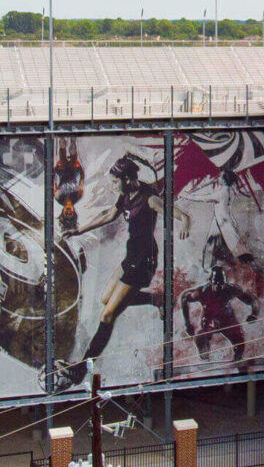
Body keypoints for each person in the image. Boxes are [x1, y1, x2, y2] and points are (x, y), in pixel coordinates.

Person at [51, 155, 190, 390]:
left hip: (143, 261)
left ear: (127, 179)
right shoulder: (127, 194)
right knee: (106, 299)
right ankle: (158, 299)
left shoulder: (149, 198)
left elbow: (178, 214)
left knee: (107, 316)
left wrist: (185, 222)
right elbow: (109, 215)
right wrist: (78, 231)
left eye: (115, 182)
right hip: (131, 255)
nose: (113, 186)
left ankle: (82, 367)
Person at [181, 265, 258, 369]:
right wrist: (187, 324)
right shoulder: (203, 291)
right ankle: (204, 354)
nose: (219, 288)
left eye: (221, 284)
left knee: (239, 342)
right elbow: (184, 298)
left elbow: (252, 300)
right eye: (216, 284)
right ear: (211, 282)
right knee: (201, 337)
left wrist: (254, 314)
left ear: (225, 282)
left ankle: (238, 359)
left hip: (226, 319)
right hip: (209, 319)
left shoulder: (231, 289)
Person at [180, 168, 257, 270]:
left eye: (220, 177)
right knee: (212, 243)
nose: (218, 178)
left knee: (236, 248)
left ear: (224, 180)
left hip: (224, 223)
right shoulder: (229, 190)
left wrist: (185, 195)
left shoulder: (222, 193)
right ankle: (210, 268)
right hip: (220, 221)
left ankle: (254, 267)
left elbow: (202, 198)